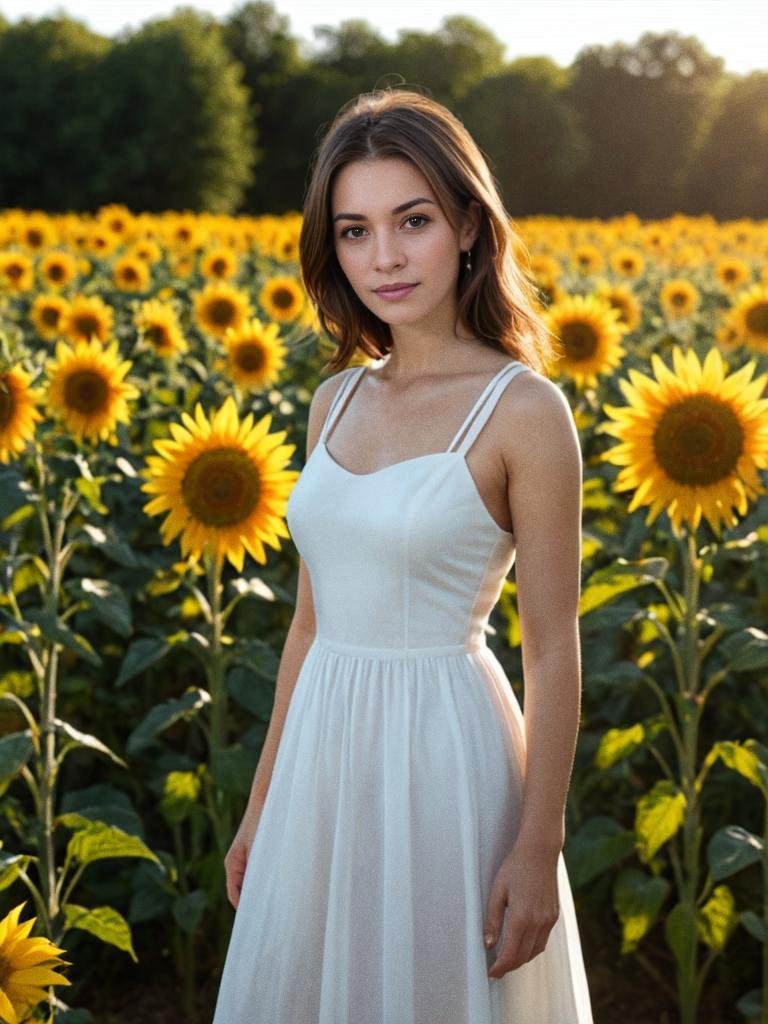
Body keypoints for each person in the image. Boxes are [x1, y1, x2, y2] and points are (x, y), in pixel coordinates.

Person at [211, 87, 593, 1023]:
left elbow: (552, 648)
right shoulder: (332, 402)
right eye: (354, 230)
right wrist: (262, 803)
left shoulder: (525, 410)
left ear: (468, 223)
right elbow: (309, 622)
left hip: (445, 762)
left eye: (411, 220)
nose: (383, 256)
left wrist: (536, 848)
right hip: (320, 763)